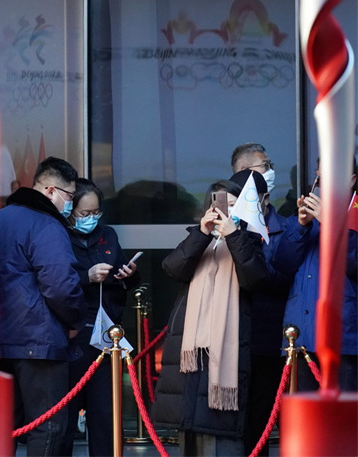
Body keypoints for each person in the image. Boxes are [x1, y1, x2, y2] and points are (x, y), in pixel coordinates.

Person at [152, 178, 271, 456]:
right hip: (190, 353)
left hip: (225, 353)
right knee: (190, 432)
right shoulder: (198, 238)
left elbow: (255, 279)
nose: (225, 211)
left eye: (233, 205)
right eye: (220, 205)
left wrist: (233, 235)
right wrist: (201, 234)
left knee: (220, 435)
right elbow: (172, 268)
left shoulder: (251, 239)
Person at [0, 156, 85, 456]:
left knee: (2, 427)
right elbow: (60, 284)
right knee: (47, 427)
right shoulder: (47, 225)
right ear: (50, 191)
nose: (71, 204)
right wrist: (75, 320)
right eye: (69, 196)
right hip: (39, 341)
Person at [58, 178, 140, 457]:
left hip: (106, 337)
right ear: (70, 210)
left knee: (105, 414)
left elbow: (122, 274)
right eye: (85, 214)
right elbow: (55, 283)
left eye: (96, 213)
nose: (91, 219)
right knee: (65, 415)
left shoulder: (108, 235)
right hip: (72, 333)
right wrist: (87, 277)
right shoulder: (58, 235)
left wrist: (128, 276)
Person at [272, 161, 358, 391]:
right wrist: (300, 225)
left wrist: (328, 221)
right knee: (306, 418)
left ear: (351, 180)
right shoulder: (306, 217)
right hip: (301, 338)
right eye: (320, 176)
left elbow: (354, 262)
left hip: (344, 339)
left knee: (342, 420)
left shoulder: (354, 215)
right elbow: (282, 263)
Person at [229, 149, 292, 456]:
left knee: (262, 419)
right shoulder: (227, 226)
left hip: (267, 338)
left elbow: (280, 276)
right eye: (264, 166)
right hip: (230, 338)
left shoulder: (284, 227)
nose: (270, 170)